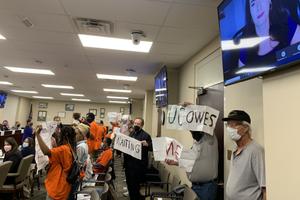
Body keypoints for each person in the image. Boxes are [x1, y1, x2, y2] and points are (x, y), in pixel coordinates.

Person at [238, 0, 300, 67]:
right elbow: (242, 74)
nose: (258, 7)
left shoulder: (286, 24)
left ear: (270, 2)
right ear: (250, 13)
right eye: (253, 4)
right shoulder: (246, 44)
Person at [222, 110, 266, 200]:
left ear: (246, 128)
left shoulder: (256, 151)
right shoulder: (235, 149)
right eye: (228, 125)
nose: (229, 128)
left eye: (234, 125)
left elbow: (264, 188)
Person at [165, 130, 219, 200]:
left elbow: (207, 125)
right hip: (195, 186)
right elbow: (193, 161)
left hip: (206, 188)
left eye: (193, 131)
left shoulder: (210, 139)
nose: (192, 133)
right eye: (191, 132)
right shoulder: (197, 143)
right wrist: (175, 162)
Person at [35, 125, 75, 200]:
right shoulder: (70, 147)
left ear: (64, 136)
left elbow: (46, 151)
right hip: (64, 185)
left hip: (57, 185)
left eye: (60, 134)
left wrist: (37, 135)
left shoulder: (63, 149)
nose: (59, 135)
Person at [123, 117, 152, 200]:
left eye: (138, 124)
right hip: (128, 164)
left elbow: (152, 147)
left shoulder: (146, 135)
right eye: (135, 123)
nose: (136, 125)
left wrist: (147, 144)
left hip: (137, 166)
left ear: (142, 125)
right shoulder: (132, 133)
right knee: (129, 184)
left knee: (135, 186)